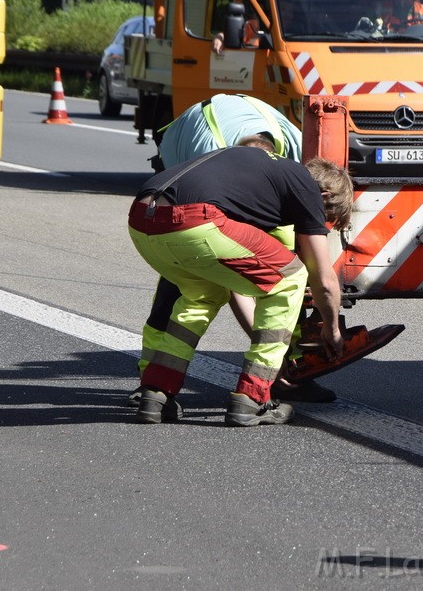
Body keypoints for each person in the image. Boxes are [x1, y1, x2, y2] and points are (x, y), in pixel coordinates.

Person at [132, 93, 338, 412]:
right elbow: (320, 279)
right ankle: (253, 395)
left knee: (202, 293)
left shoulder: (277, 157)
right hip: (193, 217)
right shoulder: (300, 180)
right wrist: (327, 330)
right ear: (322, 193)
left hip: (141, 220)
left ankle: (156, 389)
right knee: (291, 276)